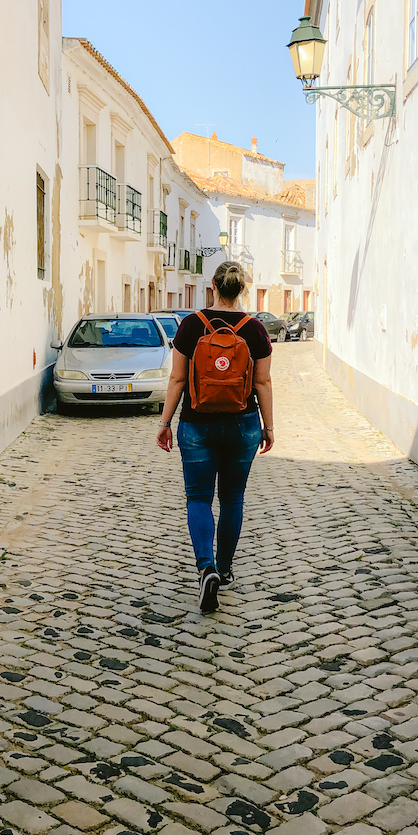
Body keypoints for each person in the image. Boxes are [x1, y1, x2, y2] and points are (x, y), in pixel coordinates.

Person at [156, 261, 275, 613]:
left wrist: (164, 423)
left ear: (213, 286)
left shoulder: (191, 325)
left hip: (197, 423)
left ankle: (205, 566)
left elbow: (177, 380)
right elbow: (263, 382)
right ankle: (224, 570)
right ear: (242, 290)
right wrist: (268, 428)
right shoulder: (255, 330)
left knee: (198, 498)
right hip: (242, 424)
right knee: (232, 500)